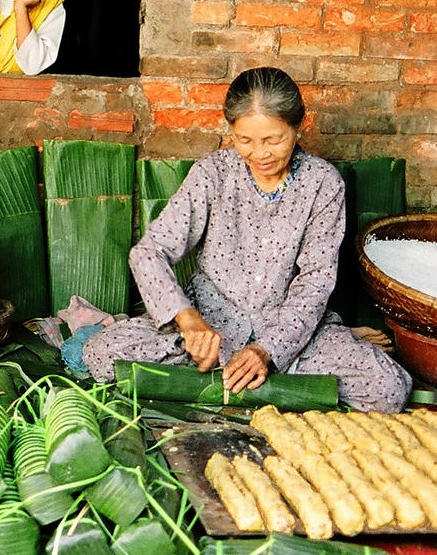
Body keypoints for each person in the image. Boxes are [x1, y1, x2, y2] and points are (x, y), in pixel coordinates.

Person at [82, 67, 413, 413]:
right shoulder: (213, 173)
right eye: (245, 140)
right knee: (101, 354)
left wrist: (266, 350)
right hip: (212, 328)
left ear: (299, 127)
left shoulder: (322, 184)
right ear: (232, 131)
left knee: (388, 389)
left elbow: (315, 283)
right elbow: (150, 251)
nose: (260, 154)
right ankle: (271, 380)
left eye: (274, 139)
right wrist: (188, 320)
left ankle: (283, 361)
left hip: (288, 331)